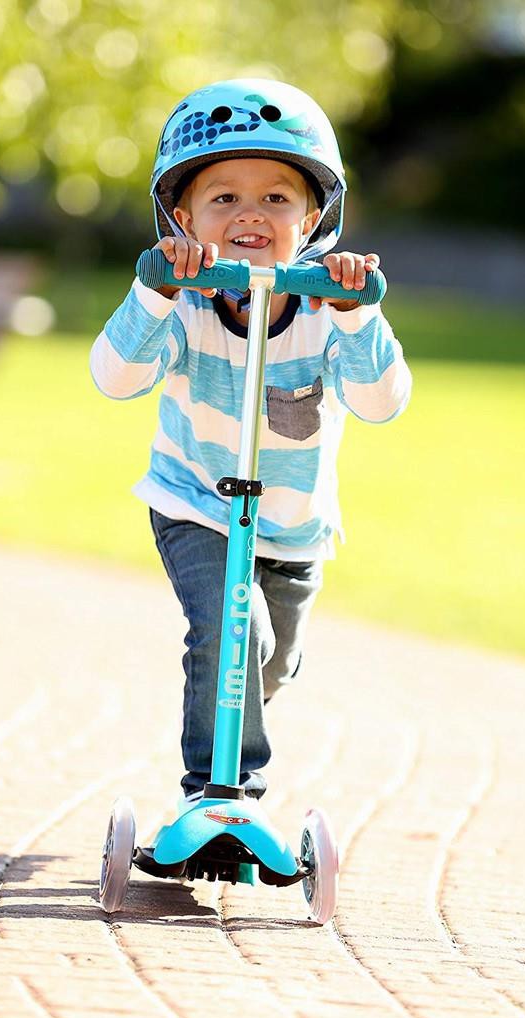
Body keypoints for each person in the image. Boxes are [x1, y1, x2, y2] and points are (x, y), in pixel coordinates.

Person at [90, 79, 411, 805]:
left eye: (275, 197)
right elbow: (116, 379)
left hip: (293, 526)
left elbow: (380, 403)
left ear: (313, 217)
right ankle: (221, 792)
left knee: (270, 662)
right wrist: (153, 294)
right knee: (232, 633)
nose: (250, 214)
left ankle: (237, 712)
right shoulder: (186, 303)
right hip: (198, 505)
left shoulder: (328, 308)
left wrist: (358, 314)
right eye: (225, 197)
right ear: (183, 218)